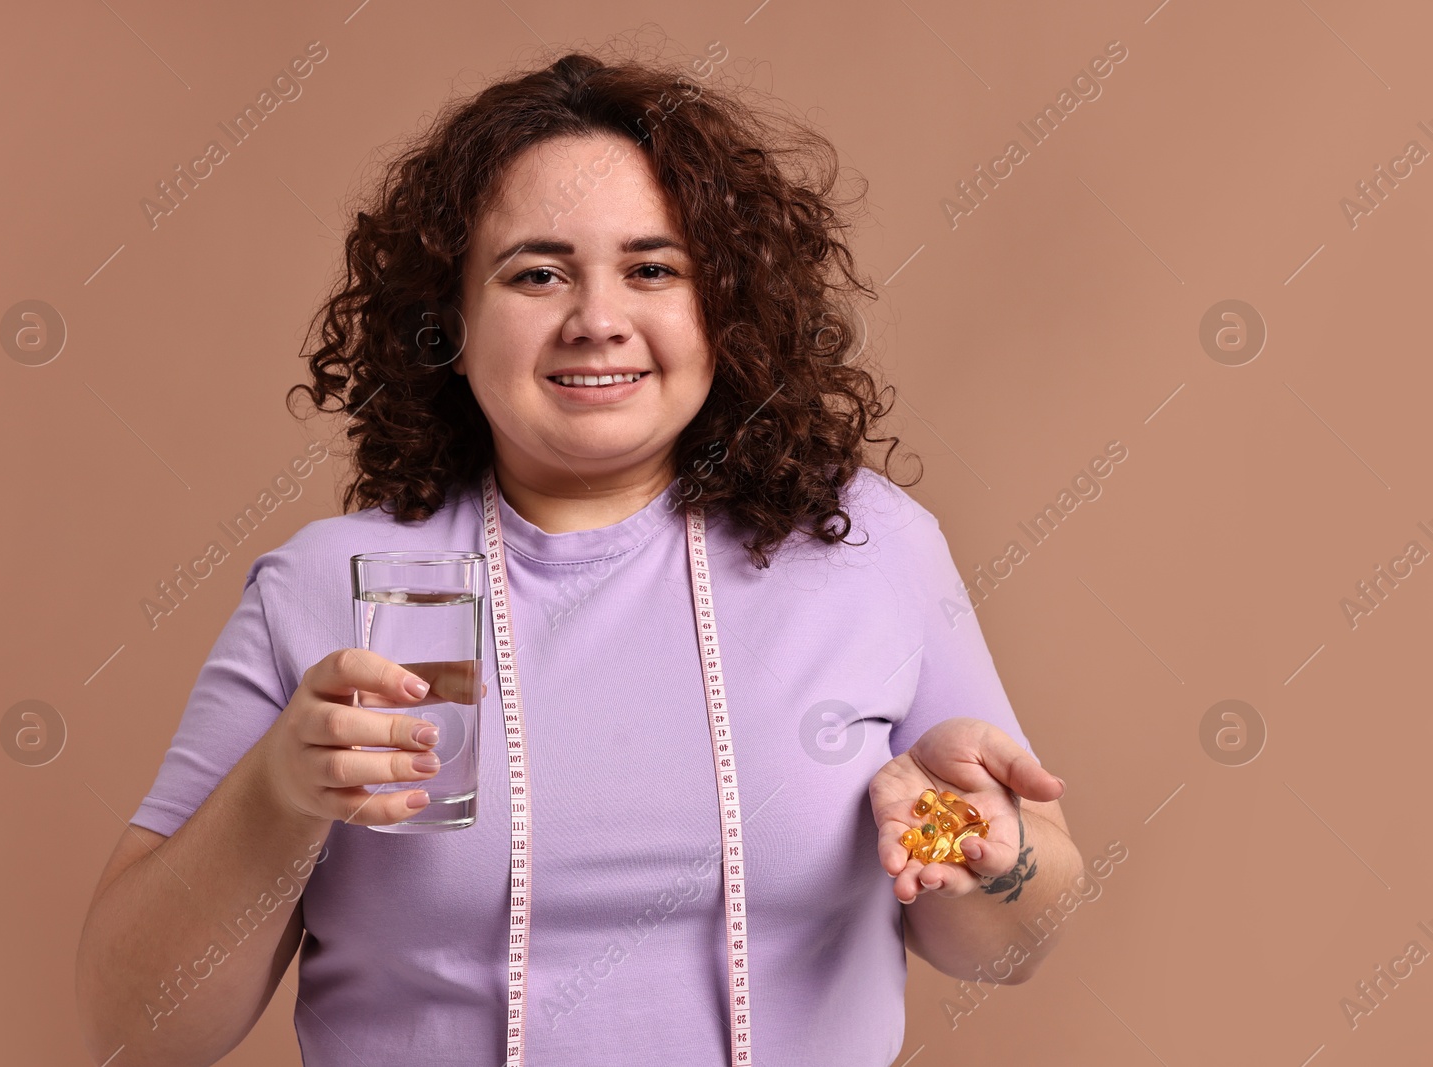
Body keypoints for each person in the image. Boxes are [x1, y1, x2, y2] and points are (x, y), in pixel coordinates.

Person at [75, 46, 1080, 1067]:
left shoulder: (865, 545)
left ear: (724, 307)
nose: (597, 320)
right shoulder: (335, 587)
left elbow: (1011, 941)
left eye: (653, 268)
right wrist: (275, 792)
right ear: (450, 321)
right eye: (536, 272)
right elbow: (136, 1026)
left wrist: (987, 851)